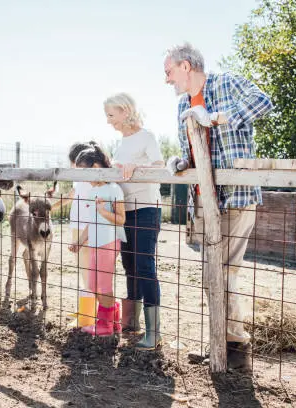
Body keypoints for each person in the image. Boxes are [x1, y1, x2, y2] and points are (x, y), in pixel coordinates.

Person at [164, 42, 273, 369]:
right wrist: (180, 163)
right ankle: (220, 343)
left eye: (168, 72)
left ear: (186, 66)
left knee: (224, 273)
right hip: (204, 201)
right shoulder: (183, 104)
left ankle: (234, 347)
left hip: (236, 196)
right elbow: (195, 152)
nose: (167, 80)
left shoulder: (227, 83)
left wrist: (215, 118)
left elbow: (263, 102)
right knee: (213, 274)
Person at [104, 92, 166, 350]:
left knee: (144, 267)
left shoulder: (147, 137)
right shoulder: (121, 142)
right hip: (125, 212)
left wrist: (135, 169)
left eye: (111, 115)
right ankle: (132, 322)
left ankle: (154, 333)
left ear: (125, 111)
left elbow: (161, 167)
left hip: (146, 209)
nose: (108, 121)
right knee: (129, 264)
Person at [68, 144, 126, 337]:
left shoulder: (114, 189)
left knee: (104, 285)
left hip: (108, 243)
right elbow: (91, 221)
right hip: (94, 243)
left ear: (95, 168)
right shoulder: (92, 192)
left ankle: (105, 325)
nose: (83, 180)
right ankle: (114, 318)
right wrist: (80, 241)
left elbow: (121, 219)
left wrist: (103, 211)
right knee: (93, 284)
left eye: (84, 173)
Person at [52, 141, 97, 328]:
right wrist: (50, 207)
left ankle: (89, 316)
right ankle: (86, 309)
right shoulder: (80, 178)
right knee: (82, 268)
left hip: (86, 227)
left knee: (88, 270)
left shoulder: (89, 177)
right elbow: (71, 195)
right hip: (77, 226)